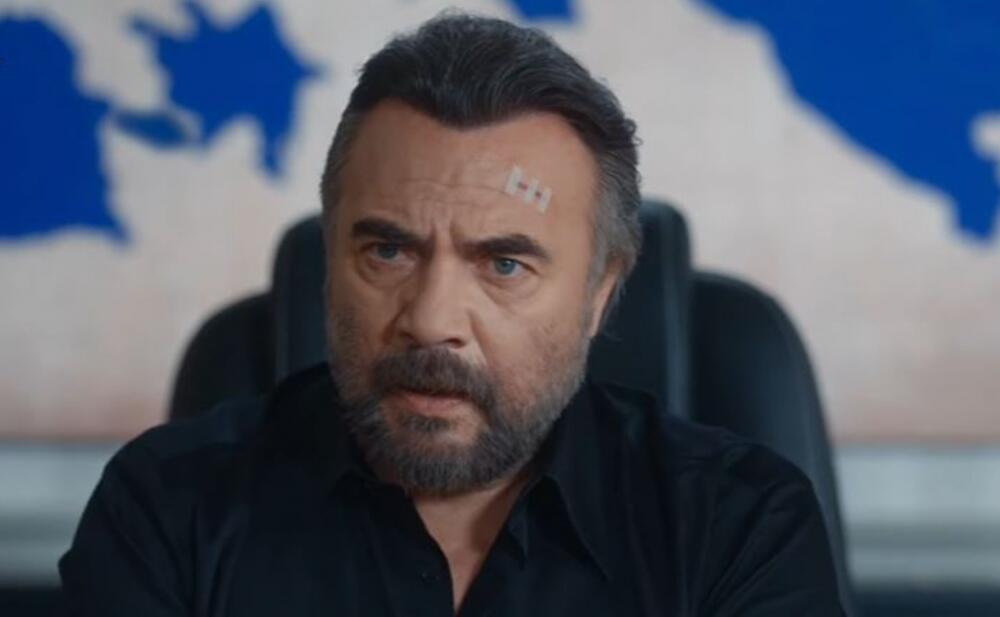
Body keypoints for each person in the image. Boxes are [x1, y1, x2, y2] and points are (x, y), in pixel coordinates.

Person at [60, 13, 845, 616]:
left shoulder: (738, 527)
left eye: (504, 265)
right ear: (330, 261)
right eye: (388, 251)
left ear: (601, 291)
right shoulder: (168, 509)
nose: (432, 320)